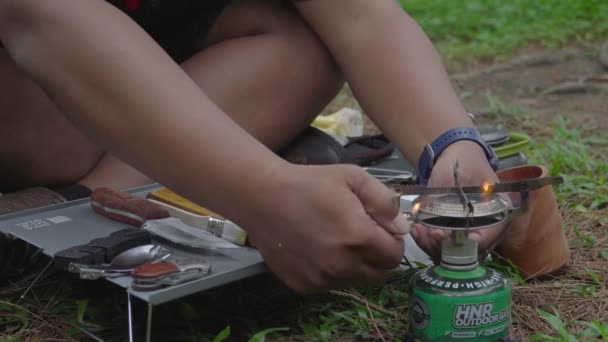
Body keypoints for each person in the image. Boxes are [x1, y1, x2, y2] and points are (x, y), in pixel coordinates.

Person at [0, 0, 510, 293]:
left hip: (123, 69)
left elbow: (360, 16)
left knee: (299, 43)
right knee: (51, 145)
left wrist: (450, 143)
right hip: (31, 78)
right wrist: (262, 190)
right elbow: (39, 16)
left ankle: (90, 195)